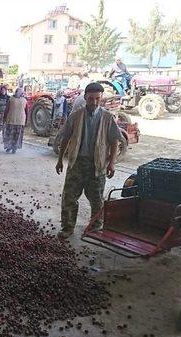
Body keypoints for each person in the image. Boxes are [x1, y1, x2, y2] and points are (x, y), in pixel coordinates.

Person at [55, 82, 122, 239]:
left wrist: (111, 162)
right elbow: (65, 138)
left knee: (97, 199)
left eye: (97, 98)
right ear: (85, 98)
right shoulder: (75, 116)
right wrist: (59, 160)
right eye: (91, 98)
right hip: (77, 163)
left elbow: (114, 140)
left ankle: (95, 227)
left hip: (97, 165)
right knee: (69, 196)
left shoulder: (107, 118)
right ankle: (68, 227)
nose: (94, 102)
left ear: (101, 98)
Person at [3, 87, 27, 153]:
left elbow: (26, 111)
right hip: (12, 119)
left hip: (18, 120)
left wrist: (4, 117)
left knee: (15, 135)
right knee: (12, 134)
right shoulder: (11, 99)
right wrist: (4, 117)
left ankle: (14, 148)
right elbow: (7, 109)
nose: (21, 93)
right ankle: (10, 147)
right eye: (19, 92)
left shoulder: (24, 100)